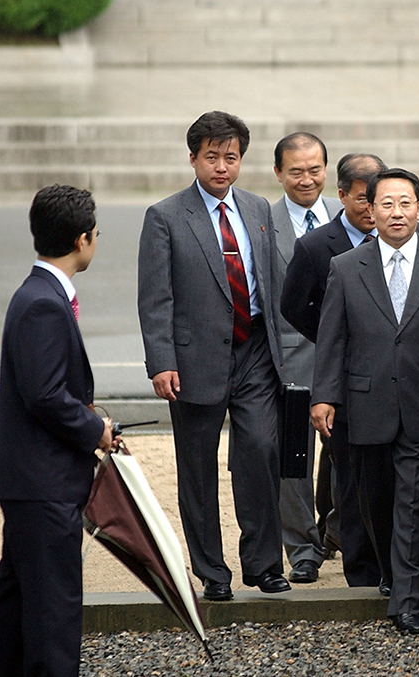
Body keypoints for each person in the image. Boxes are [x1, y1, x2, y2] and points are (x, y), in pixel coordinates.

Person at [310, 168, 419, 634]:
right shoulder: (345, 267)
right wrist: (324, 396)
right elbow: (332, 339)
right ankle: (393, 575)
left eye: (405, 203)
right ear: (369, 210)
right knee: (375, 500)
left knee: (414, 500)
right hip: (366, 404)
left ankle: (409, 601)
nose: (396, 213)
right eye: (386, 204)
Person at [138, 111, 290, 601]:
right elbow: (155, 297)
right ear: (193, 159)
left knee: (262, 452)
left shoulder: (258, 208)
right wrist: (162, 361)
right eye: (212, 157)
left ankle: (264, 565)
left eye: (231, 157)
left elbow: (268, 279)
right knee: (197, 469)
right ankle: (212, 573)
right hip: (192, 361)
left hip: (255, 355)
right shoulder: (165, 216)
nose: (222, 166)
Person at [0, 185, 116, 676]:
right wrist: (96, 429)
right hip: (42, 482)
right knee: (52, 608)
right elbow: (44, 395)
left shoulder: (38, 293)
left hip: (31, 479)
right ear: (82, 239)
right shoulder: (44, 303)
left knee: (17, 598)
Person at [280, 153, 386, 588]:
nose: (373, 210)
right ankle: (356, 563)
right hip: (340, 377)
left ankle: (399, 556)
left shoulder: (399, 236)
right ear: (341, 195)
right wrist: (332, 341)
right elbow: (292, 306)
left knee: (392, 468)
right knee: (346, 469)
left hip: (389, 375)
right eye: (363, 200)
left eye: (377, 200)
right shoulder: (315, 245)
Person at [271, 132, 342, 584]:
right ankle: (302, 549)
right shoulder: (262, 221)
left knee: (347, 452)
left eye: (315, 169)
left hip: (345, 358)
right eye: (295, 171)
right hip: (290, 358)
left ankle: (338, 531)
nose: (306, 179)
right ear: (278, 173)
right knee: (293, 458)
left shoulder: (350, 213)